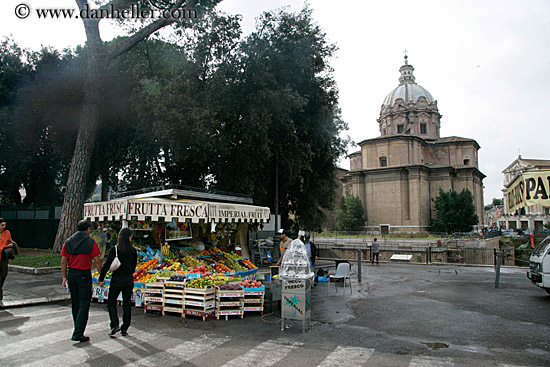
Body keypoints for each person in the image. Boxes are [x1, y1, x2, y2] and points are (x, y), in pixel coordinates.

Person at [61, 220, 102, 342]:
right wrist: (101, 275)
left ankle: (77, 328)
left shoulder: (68, 242)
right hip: (84, 274)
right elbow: (97, 260)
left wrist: (64, 277)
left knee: (75, 303)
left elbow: (63, 261)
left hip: (72, 273)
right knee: (84, 303)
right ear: (88, 229)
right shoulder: (90, 242)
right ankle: (78, 332)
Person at [98, 227, 138, 337]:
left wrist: (101, 278)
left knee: (111, 302)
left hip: (116, 280)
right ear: (129, 238)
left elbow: (106, 266)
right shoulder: (133, 251)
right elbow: (133, 268)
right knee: (127, 304)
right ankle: (125, 327)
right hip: (128, 280)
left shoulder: (115, 250)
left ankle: (114, 324)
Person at [0, 218, 17, 306]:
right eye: (2, 225)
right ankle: (0, 298)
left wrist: (11, 245)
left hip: (3, 257)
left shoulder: (7, 233)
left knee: (4, 274)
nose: (4, 227)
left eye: (4, 225)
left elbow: (10, 241)